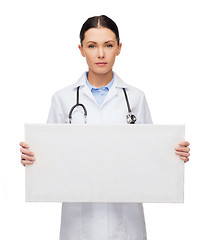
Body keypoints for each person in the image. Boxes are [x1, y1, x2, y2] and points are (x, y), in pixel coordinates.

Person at [19, 15, 190, 240]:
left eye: (108, 45)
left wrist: (173, 155)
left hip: (126, 221)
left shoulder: (135, 98)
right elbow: (51, 158)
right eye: (92, 46)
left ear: (119, 48)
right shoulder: (62, 99)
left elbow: (149, 155)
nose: (101, 54)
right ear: (81, 50)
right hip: (79, 221)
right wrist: (33, 159)